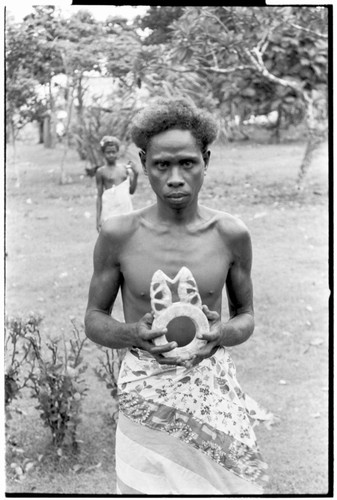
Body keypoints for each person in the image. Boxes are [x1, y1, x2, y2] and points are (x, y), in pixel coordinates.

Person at [85, 98, 273, 495]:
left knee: (226, 489)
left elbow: (247, 316)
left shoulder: (230, 233)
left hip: (211, 390)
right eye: (161, 165)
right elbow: (95, 318)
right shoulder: (118, 234)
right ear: (143, 161)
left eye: (187, 163)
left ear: (206, 160)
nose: (175, 178)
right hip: (144, 392)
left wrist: (221, 334)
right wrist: (133, 334)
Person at [95, 136, 138, 232]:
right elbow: (99, 196)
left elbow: (131, 191)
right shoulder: (101, 171)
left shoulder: (124, 169)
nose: (111, 155)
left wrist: (136, 175)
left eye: (113, 152)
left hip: (124, 209)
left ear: (117, 153)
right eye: (108, 152)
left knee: (126, 236)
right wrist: (98, 218)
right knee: (111, 235)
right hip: (110, 210)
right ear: (103, 154)